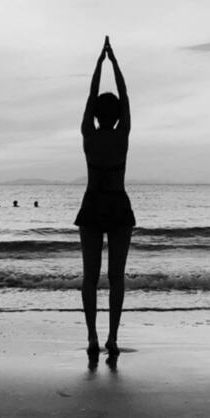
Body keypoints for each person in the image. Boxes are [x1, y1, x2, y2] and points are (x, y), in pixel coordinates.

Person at [74, 36, 135, 359]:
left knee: (90, 277)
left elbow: (90, 97)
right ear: (115, 116)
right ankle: (112, 337)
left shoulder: (89, 135)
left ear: (96, 115)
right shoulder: (122, 136)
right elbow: (125, 98)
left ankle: (93, 336)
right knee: (115, 278)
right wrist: (115, 64)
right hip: (118, 205)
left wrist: (99, 64)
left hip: (93, 203)